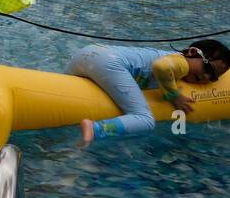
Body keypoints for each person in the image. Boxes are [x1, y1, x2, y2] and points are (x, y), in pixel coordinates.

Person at [71, 40, 228, 145]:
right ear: (192, 52)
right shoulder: (181, 62)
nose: (205, 77)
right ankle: (96, 129)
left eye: (213, 78)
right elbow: (161, 67)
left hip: (87, 54)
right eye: (208, 69)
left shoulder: (170, 57)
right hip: (110, 63)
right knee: (145, 120)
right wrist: (173, 95)